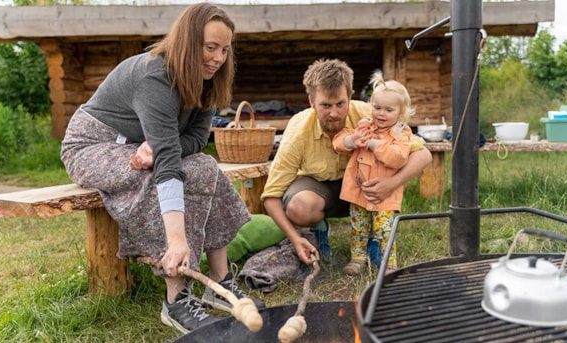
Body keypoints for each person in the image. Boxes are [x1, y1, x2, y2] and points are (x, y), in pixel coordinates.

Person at [60, 3, 264, 334]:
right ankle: (176, 299)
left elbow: (197, 140)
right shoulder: (155, 76)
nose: (217, 58)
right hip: (90, 146)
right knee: (161, 175)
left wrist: (159, 148)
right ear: (187, 41)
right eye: (210, 47)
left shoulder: (207, 79)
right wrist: (177, 240)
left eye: (224, 50)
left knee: (205, 166)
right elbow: (168, 164)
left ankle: (219, 281)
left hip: (138, 146)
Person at [261, 58, 432, 266]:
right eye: (325, 105)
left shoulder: (372, 114)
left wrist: (392, 183)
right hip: (319, 189)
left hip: (366, 190)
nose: (334, 113)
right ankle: (317, 232)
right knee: (300, 207)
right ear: (311, 101)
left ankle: (373, 239)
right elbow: (271, 196)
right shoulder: (298, 133)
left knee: (379, 190)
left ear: (350, 97)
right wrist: (296, 239)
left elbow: (424, 155)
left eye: (340, 104)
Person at [332, 71, 414, 275]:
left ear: (401, 112)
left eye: (389, 110)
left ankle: (389, 262)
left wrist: (375, 144)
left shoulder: (401, 133)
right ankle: (357, 258)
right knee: (358, 227)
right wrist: (353, 140)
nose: (381, 114)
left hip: (384, 195)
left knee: (384, 230)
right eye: (377, 108)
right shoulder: (364, 126)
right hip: (358, 191)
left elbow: (398, 158)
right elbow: (339, 141)